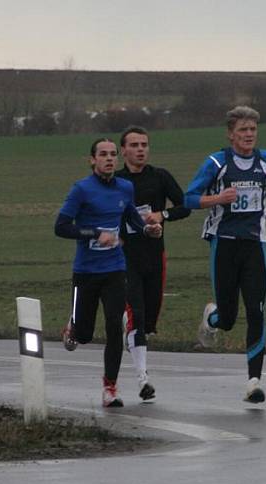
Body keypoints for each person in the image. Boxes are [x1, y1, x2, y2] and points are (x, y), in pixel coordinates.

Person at [184, 106, 266, 404]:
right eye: (243, 130)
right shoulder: (217, 162)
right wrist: (218, 198)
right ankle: (211, 318)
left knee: (257, 311)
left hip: (255, 244)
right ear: (231, 134)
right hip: (224, 245)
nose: (249, 135)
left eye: (252, 129)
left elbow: (259, 194)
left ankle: (254, 381)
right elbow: (188, 198)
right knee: (228, 318)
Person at [55, 138, 163, 407]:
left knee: (115, 326)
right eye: (103, 154)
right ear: (92, 160)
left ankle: (110, 388)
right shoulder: (81, 190)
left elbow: (131, 219)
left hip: (115, 269)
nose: (109, 159)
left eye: (113, 154)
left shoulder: (125, 188)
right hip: (85, 272)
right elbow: (61, 226)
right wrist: (94, 233)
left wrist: (147, 230)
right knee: (84, 335)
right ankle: (73, 325)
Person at [116, 126, 190, 403]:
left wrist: (163, 215)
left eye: (144, 145)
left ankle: (133, 332)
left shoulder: (160, 177)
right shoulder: (117, 180)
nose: (140, 150)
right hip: (125, 257)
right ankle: (143, 379)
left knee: (148, 320)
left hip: (154, 256)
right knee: (136, 313)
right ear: (123, 150)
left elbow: (185, 205)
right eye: (134, 145)